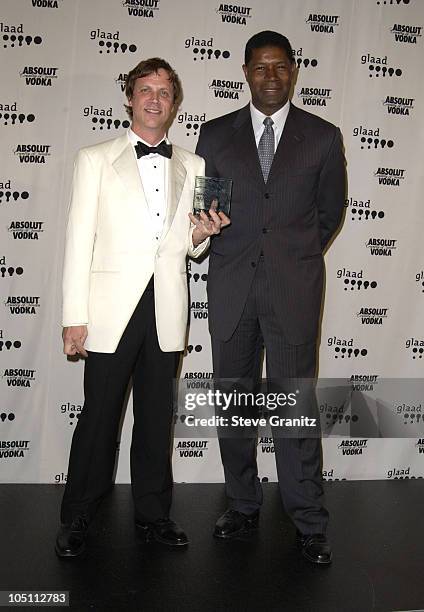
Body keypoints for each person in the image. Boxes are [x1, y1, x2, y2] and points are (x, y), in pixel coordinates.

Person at [55, 57, 229, 557]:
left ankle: (154, 516)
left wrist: (202, 235)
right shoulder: (94, 158)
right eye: (145, 90)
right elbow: (78, 241)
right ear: (129, 98)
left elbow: (189, 246)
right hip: (110, 310)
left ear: (175, 105)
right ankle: (78, 516)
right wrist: (74, 316)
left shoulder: (193, 163)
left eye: (165, 93)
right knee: (99, 418)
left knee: (156, 419)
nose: (155, 99)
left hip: (166, 306)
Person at [196, 31, 346, 565]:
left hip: (292, 294)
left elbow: (328, 215)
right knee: (234, 407)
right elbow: (206, 214)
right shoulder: (214, 137)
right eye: (260, 68)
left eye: (280, 67)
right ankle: (242, 503)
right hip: (232, 291)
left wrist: (294, 259)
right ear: (244, 72)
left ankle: (307, 518)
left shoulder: (323, 137)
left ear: (294, 70)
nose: (270, 77)